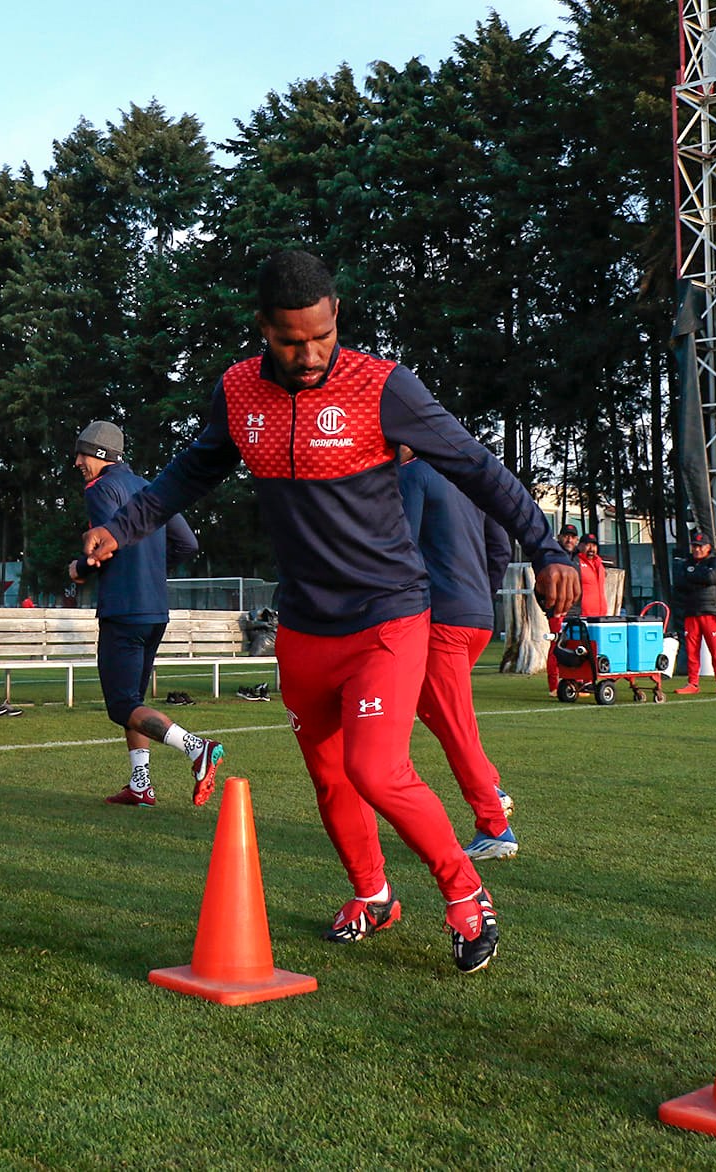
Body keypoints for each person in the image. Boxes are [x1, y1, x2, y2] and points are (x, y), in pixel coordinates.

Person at [81, 250, 579, 974]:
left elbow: (476, 466)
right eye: (291, 341)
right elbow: (194, 467)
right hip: (305, 627)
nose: (310, 354)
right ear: (262, 329)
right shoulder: (237, 391)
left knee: (376, 769)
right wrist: (122, 524)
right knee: (327, 775)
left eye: (321, 336)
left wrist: (546, 547)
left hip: (388, 616)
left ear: (335, 315)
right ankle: (372, 895)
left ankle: (466, 891)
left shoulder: (381, 385)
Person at [65, 420, 222, 808]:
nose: (77, 463)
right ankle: (140, 785)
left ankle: (196, 748)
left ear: (98, 455)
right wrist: (151, 568)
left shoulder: (101, 488)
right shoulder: (151, 489)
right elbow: (187, 543)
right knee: (132, 700)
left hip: (124, 608)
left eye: (81, 454)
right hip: (155, 609)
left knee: (121, 705)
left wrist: (78, 569)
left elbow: (102, 549)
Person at [398, 447, 519, 861]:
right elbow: (499, 547)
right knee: (435, 710)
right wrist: (479, 595)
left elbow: (404, 550)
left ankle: (494, 825)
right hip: (478, 618)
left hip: (442, 620)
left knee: (452, 722)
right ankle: (491, 786)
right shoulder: (468, 482)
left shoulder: (413, 475)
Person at [674, 532, 716, 696]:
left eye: (700, 546)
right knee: (692, 650)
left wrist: (692, 575)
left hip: (711, 612)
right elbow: (679, 581)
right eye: (694, 546)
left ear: (708, 547)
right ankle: (693, 683)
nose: (696, 549)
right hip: (691, 612)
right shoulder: (686, 562)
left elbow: (711, 577)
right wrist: (698, 577)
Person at [544, 524, 582, 694]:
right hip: (558, 610)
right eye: (566, 536)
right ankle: (553, 685)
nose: (569, 539)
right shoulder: (553, 556)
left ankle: (574, 683)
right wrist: (550, 606)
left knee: (576, 646)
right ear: (559, 537)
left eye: (573, 536)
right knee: (557, 646)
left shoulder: (577, 559)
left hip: (575, 610)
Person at [577, 530, 609, 618]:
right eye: (588, 545)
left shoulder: (599, 564)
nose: (591, 549)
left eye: (594, 545)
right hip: (582, 615)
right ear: (580, 546)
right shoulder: (576, 563)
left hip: (601, 614)